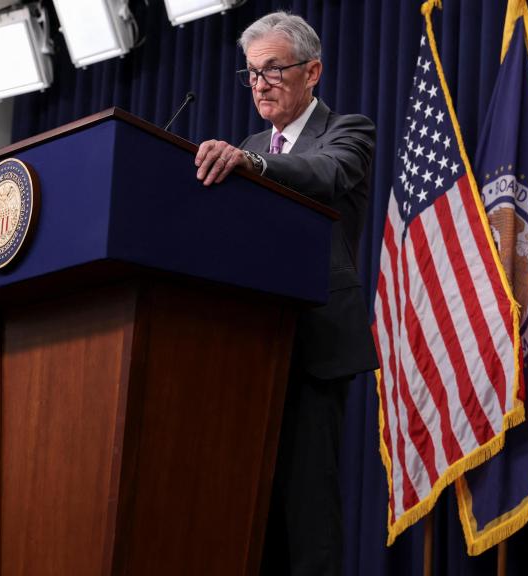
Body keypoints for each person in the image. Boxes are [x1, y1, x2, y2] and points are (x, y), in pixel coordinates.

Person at [193, 11, 378, 576]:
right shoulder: (247, 143)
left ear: (312, 71)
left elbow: (322, 174)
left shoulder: (348, 132)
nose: (260, 84)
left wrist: (252, 163)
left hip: (312, 347)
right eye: (251, 74)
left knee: (308, 517)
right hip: (246, 350)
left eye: (273, 70)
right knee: (252, 517)